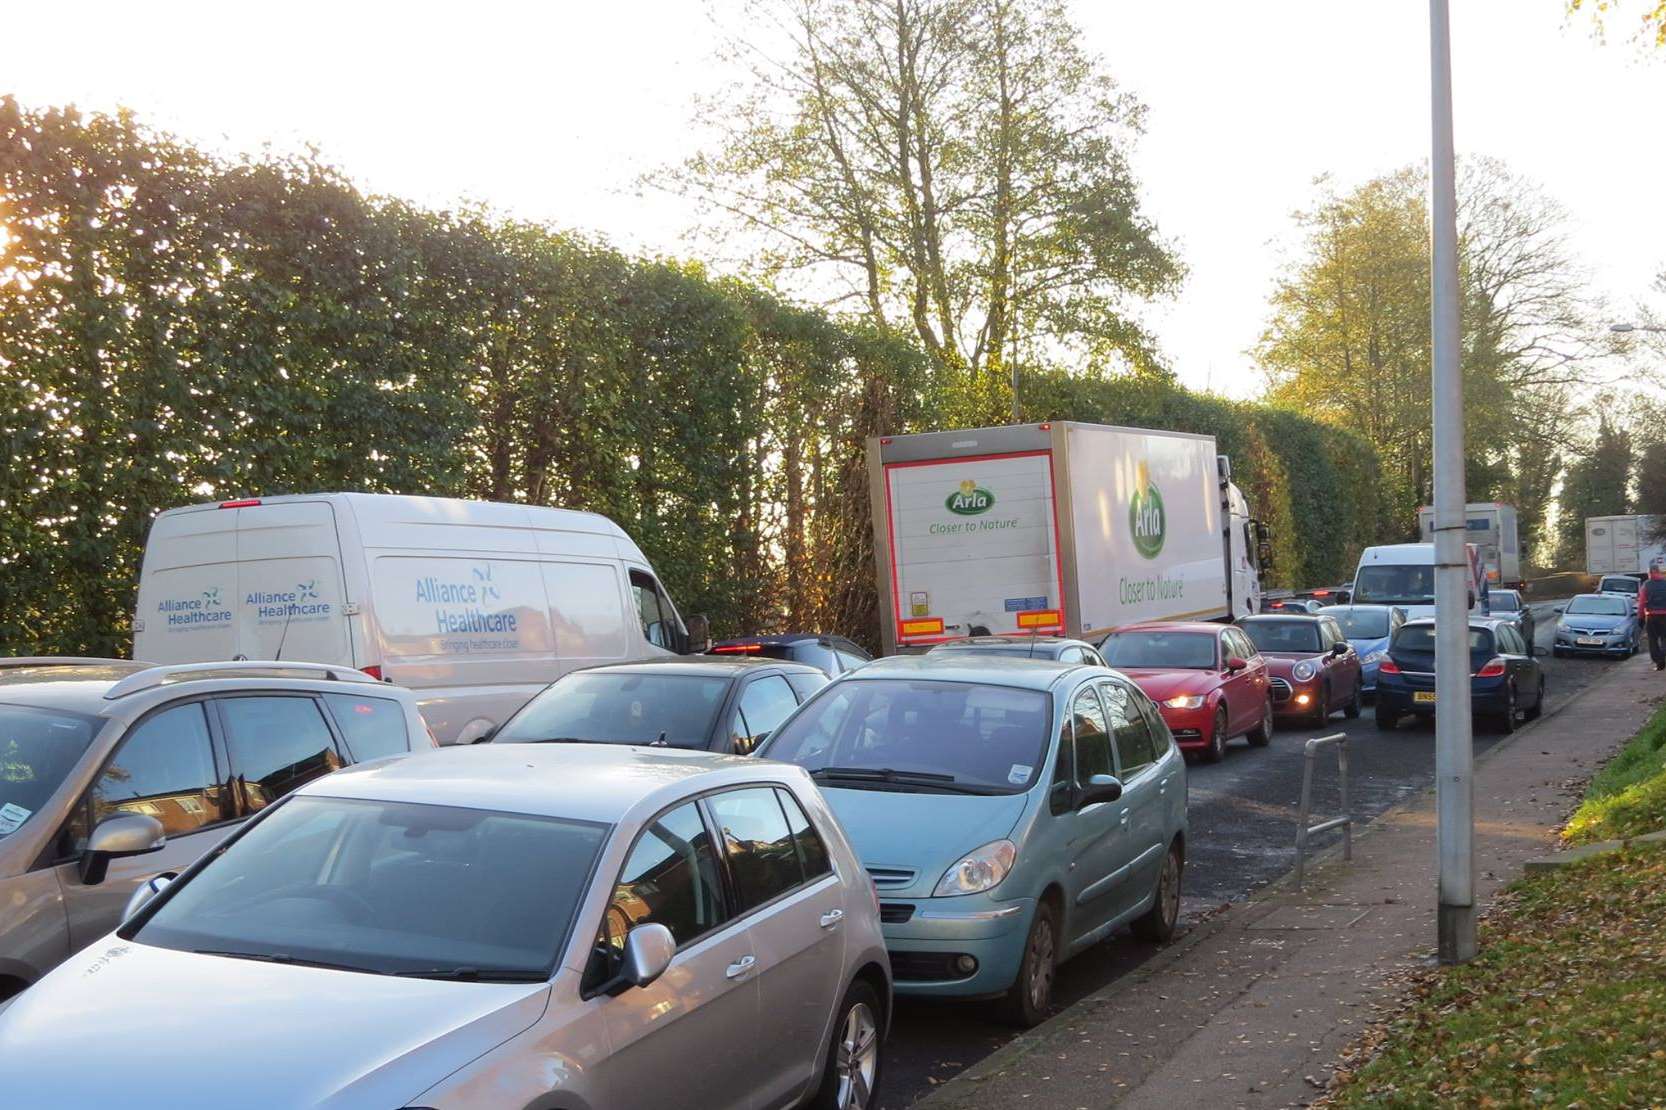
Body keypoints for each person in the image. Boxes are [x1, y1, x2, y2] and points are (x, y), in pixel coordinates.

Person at [1640, 561, 1666, 670]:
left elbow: (1641, 602)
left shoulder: (1646, 585)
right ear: (1659, 572)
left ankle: (1659, 661)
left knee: (1652, 640)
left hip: (1651, 617)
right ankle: (1662, 656)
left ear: (1650, 573)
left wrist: (1640, 617)